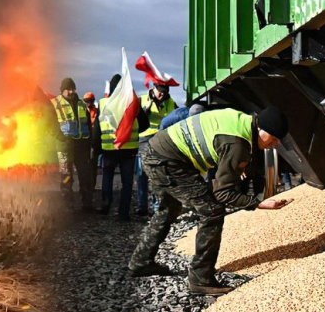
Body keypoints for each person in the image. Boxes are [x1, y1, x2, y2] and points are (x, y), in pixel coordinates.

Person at [128, 106, 292, 296]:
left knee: (169, 209)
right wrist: (259, 203)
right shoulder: (238, 143)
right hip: (167, 161)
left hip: (157, 151)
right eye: (275, 138)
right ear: (262, 130)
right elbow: (223, 193)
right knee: (212, 210)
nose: (275, 144)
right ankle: (201, 277)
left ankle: (140, 262)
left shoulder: (241, 122)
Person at [93, 74, 148, 221]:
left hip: (109, 148)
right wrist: (132, 131)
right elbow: (145, 124)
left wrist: (96, 148)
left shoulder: (103, 103)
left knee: (107, 177)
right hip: (128, 149)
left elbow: (97, 129)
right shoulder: (132, 102)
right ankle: (123, 213)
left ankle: (105, 205)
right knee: (127, 182)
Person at [50, 77, 95, 211]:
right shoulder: (55, 104)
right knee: (66, 175)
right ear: (62, 90)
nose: (70, 92)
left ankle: (87, 204)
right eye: (68, 89)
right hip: (63, 146)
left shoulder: (81, 103)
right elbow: (49, 123)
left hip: (80, 146)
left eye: (72, 89)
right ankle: (67, 205)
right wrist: (59, 137)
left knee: (85, 175)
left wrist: (89, 143)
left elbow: (87, 123)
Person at [136, 83, 177, 216]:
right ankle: (142, 206)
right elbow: (135, 119)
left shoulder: (171, 102)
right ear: (153, 89)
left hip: (161, 140)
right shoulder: (141, 99)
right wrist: (145, 110)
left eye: (165, 92)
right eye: (160, 91)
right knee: (142, 173)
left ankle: (157, 206)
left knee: (158, 173)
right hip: (144, 140)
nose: (162, 94)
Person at [83, 91, 99, 189]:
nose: (88, 103)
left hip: (94, 141)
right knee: (85, 163)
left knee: (93, 164)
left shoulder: (96, 111)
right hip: (84, 141)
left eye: (90, 101)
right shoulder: (82, 111)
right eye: (86, 101)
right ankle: (86, 185)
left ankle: (92, 185)